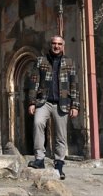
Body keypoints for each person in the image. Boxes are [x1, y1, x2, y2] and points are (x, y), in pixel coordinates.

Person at [26, 35, 80, 180]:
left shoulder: (69, 62)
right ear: (50, 45)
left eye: (59, 44)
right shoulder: (41, 61)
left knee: (61, 135)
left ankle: (59, 164)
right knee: (38, 123)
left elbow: (74, 85)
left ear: (63, 46)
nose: (56, 46)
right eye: (54, 43)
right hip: (44, 101)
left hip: (61, 103)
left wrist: (75, 105)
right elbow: (34, 83)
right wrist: (32, 102)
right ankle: (39, 159)